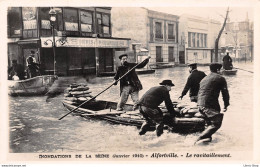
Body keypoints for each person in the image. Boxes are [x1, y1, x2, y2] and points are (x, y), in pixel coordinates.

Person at [195, 63, 230, 144]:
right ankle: (199, 139)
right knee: (216, 123)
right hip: (208, 104)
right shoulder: (220, 78)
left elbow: (201, 92)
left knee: (209, 124)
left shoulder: (204, 78)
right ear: (218, 70)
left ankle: (206, 142)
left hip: (200, 104)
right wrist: (226, 105)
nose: (222, 71)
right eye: (221, 69)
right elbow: (225, 93)